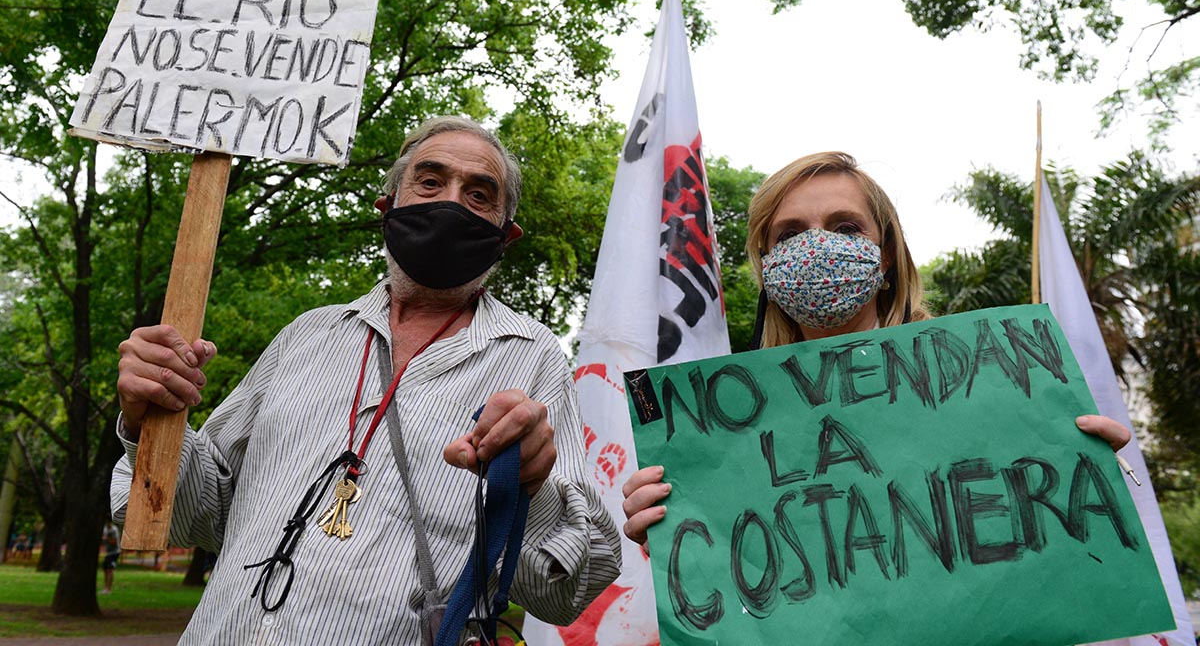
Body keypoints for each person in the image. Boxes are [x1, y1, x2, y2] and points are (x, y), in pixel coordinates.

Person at [111, 116, 621, 645]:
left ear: (504, 236)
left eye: (478, 194)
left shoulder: (532, 356)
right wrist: (152, 414)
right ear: (388, 206)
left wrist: (532, 489)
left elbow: (568, 592)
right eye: (429, 181)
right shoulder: (306, 335)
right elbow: (199, 514)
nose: (449, 202)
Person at [622, 150, 1132, 545]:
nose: (818, 247)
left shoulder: (988, 386)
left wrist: (1083, 470)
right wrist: (676, 524)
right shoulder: (725, 424)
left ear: (885, 254)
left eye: (846, 228)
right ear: (767, 264)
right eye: (790, 234)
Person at [100, 520, 120, 594]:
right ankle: (105, 588)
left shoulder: (114, 530)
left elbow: (114, 542)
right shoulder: (105, 528)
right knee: (105, 570)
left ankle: (108, 589)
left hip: (114, 553)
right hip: (108, 553)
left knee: (110, 570)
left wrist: (106, 539)